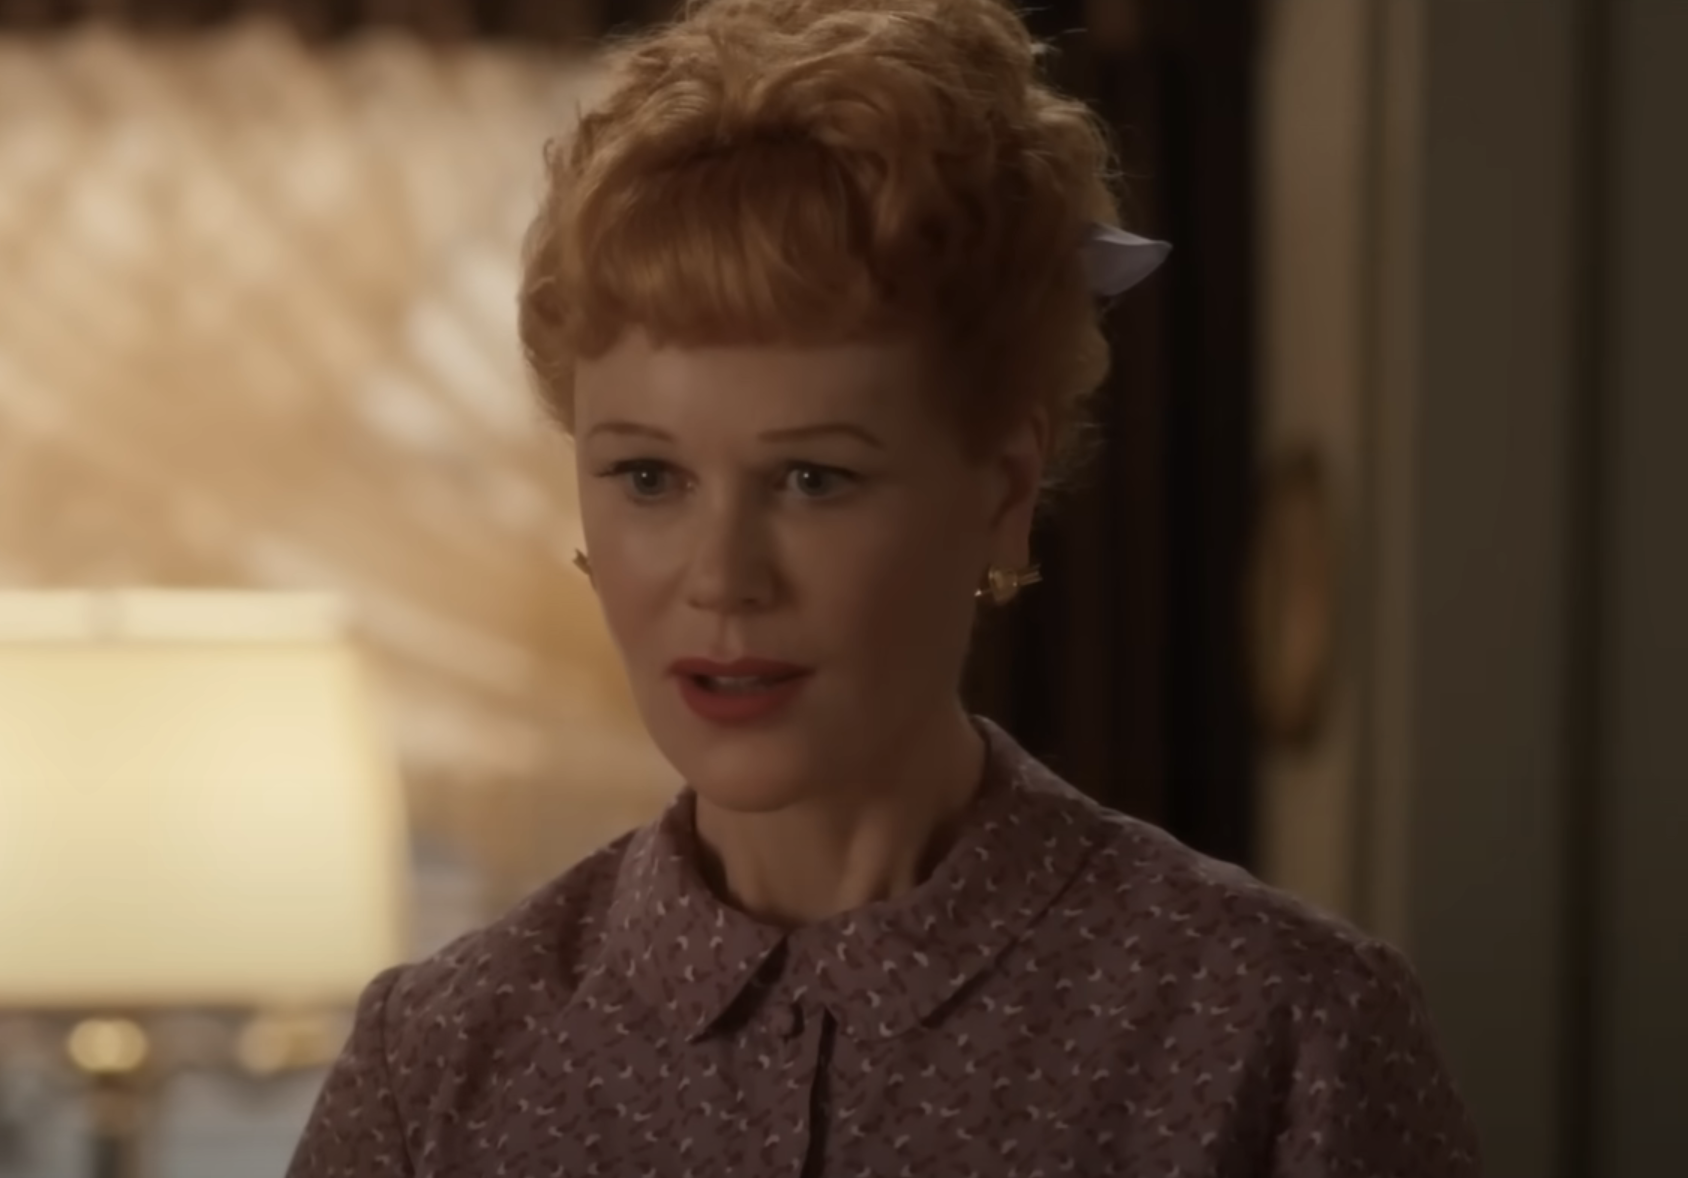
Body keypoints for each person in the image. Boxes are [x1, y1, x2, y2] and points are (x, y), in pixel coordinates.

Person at [287, 1, 1481, 1174]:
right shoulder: (438, 1063)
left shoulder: (1277, 1032)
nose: (721, 579)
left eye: (811, 476)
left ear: (1000, 490)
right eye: (648, 475)